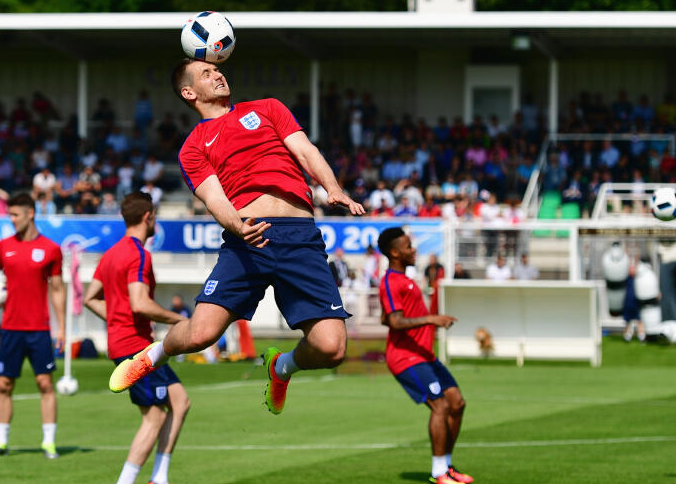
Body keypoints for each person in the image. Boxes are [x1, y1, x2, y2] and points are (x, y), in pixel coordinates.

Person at [109, 58, 365, 416]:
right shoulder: (193, 146)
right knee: (201, 335)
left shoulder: (268, 108)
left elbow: (306, 150)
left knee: (332, 348)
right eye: (205, 74)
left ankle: (282, 367)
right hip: (248, 238)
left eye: (217, 70)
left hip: (300, 238)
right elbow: (214, 198)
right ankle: (153, 355)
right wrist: (237, 225)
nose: (217, 74)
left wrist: (333, 188)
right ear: (188, 92)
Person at [84, 192, 190, 484]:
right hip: (137, 347)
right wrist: (180, 320)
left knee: (179, 402)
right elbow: (140, 303)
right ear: (148, 216)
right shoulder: (139, 254)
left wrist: (117, 319)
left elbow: (91, 298)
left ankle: (159, 476)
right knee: (154, 416)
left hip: (126, 343)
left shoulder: (110, 254)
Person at [0, 193, 65, 459]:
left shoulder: (51, 249)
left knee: (45, 384)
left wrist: (61, 326)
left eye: (15, 214)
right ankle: (0, 442)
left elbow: (58, 290)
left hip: (39, 329)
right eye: (10, 215)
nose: (11, 219)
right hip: (10, 329)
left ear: (31, 213)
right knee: (4, 385)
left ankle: (49, 443)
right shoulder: (3, 247)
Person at [376, 227, 471, 484]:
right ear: (395, 252)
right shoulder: (389, 281)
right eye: (408, 246)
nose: (413, 249)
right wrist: (432, 319)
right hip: (405, 358)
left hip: (424, 355)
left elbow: (386, 317)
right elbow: (395, 322)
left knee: (457, 403)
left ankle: (448, 467)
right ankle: (439, 472)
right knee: (440, 405)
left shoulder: (405, 279)